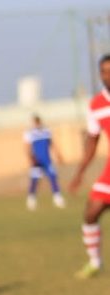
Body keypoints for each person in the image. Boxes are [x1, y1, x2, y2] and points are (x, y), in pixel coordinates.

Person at [69, 54, 110, 280]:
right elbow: (92, 142)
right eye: (104, 71)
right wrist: (79, 173)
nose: (108, 75)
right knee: (91, 211)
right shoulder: (96, 106)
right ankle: (95, 262)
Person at [24, 114, 66, 210]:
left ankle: (57, 198)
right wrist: (30, 158)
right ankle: (31, 198)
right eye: (35, 122)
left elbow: (52, 144)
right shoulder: (30, 133)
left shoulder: (46, 131)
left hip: (47, 160)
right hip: (36, 161)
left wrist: (58, 155)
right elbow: (27, 147)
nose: (37, 124)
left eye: (38, 122)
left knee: (52, 177)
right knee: (35, 180)